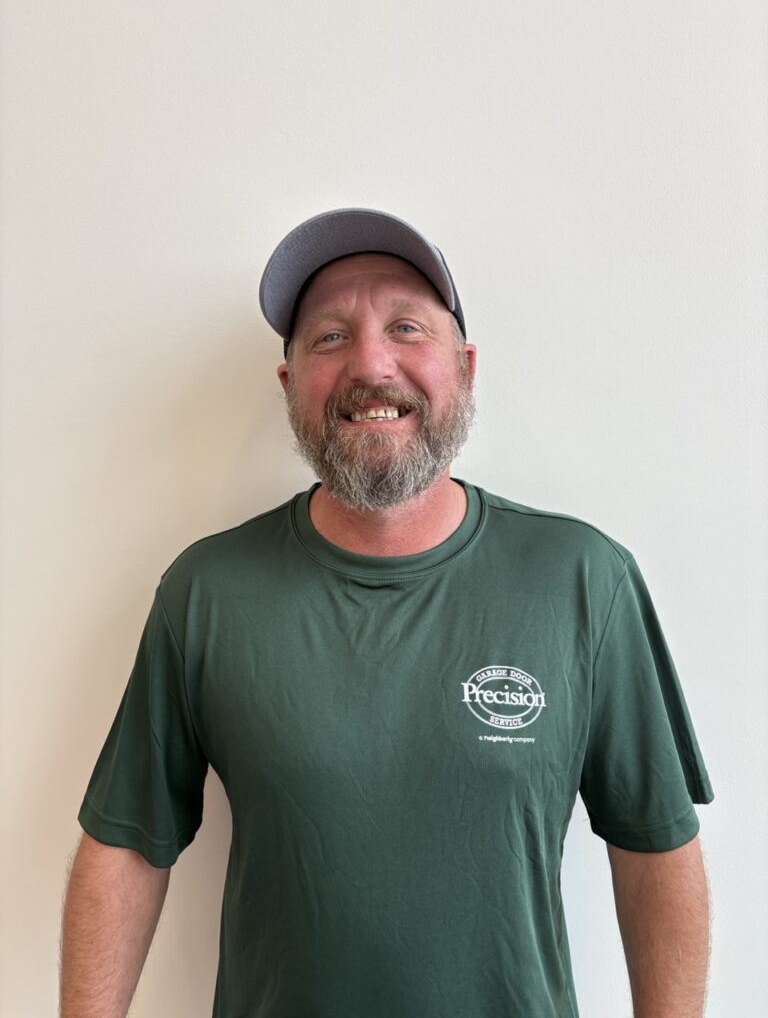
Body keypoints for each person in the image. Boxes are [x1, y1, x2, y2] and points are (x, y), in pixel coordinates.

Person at [60, 208, 714, 1018]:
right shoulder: (207, 593)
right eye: (330, 337)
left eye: (407, 327)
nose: (371, 364)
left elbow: (656, 846)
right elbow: (126, 846)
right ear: (290, 384)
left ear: (464, 368)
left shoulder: (583, 581)